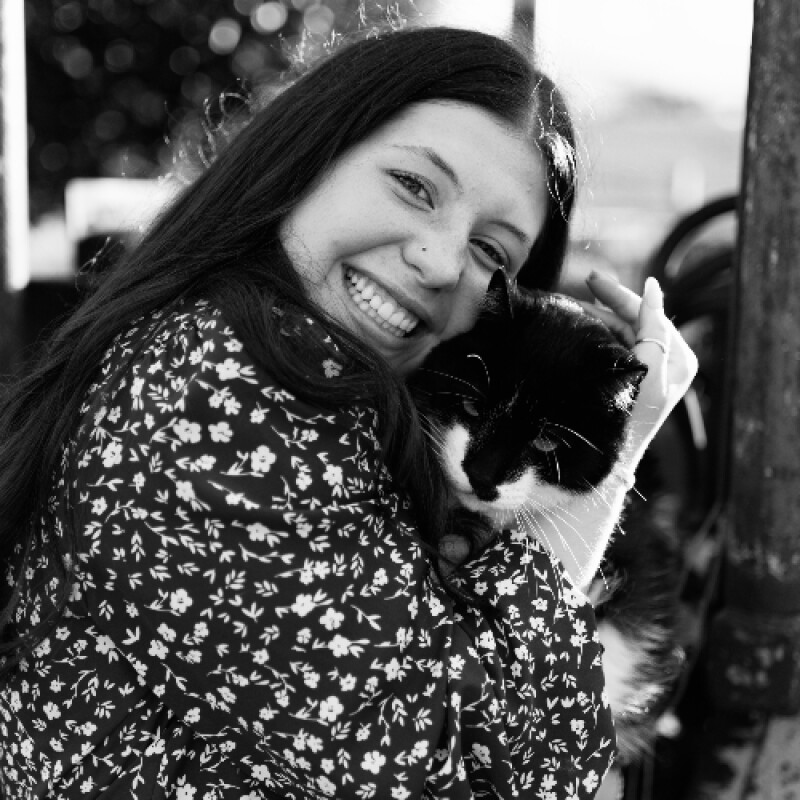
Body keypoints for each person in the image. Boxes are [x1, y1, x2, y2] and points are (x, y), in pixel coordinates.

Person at [0, 24, 696, 800]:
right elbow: (481, 763)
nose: (440, 260)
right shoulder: (218, 389)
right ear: (313, 152)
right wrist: (623, 449)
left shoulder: (321, 391)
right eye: (415, 186)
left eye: (492, 252)